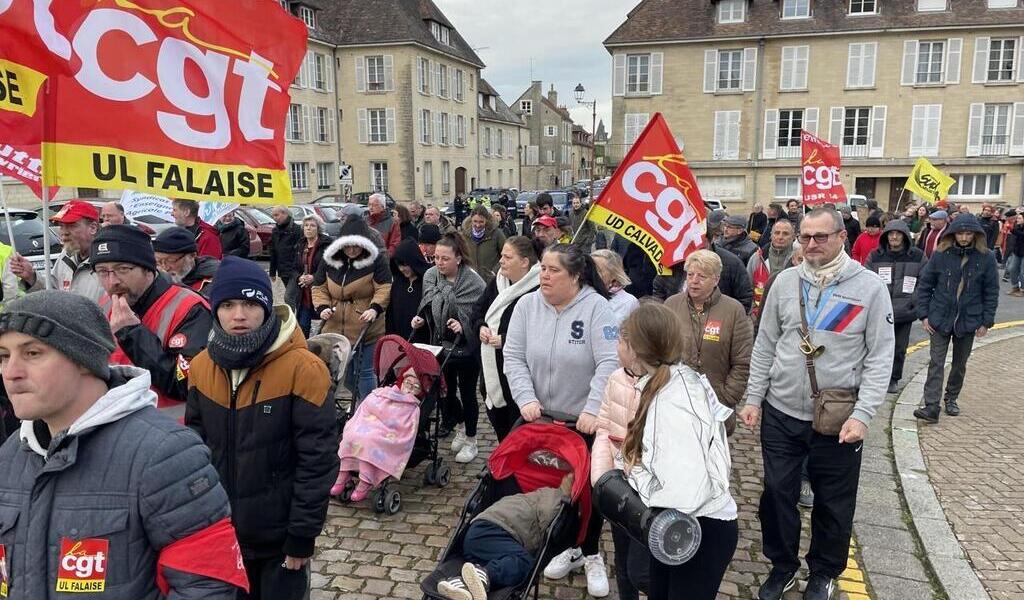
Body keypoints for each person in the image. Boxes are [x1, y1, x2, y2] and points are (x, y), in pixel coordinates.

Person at [0, 291, 249, 599]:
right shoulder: (11, 455)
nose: (11, 373)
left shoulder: (164, 454)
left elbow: (207, 586)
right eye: (3, 356)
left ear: (83, 359)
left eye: (32, 353)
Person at [739, 207, 894, 600]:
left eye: (820, 237)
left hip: (838, 420)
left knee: (833, 502)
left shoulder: (870, 288)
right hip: (781, 411)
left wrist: (863, 415)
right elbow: (765, 345)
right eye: (804, 237)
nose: (810, 245)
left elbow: (879, 357)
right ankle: (783, 565)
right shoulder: (785, 282)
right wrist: (754, 396)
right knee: (776, 493)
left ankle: (824, 572)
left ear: (842, 237)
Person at [185, 257, 337, 600]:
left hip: (279, 541)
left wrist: (302, 534)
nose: (239, 315)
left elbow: (318, 461)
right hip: (219, 535)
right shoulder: (200, 366)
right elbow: (195, 449)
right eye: (227, 304)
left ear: (267, 307)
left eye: (251, 303)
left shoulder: (305, 369)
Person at [503, 243, 617, 598]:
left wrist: (593, 409)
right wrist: (525, 398)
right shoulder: (526, 305)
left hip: (581, 421)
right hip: (538, 417)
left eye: (553, 270)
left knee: (587, 491)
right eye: (542, 268)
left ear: (575, 276)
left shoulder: (598, 309)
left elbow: (609, 363)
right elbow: (513, 355)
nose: (544, 276)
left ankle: (591, 552)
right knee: (543, 484)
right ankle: (563, 544)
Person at [617, 303, 738, 600]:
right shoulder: (675, 379)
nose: (617, 346)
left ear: (635, 349)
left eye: (621, 340)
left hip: (698, 529)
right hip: (678, 526)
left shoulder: (672, 402)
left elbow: (685, 493)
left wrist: (632, 477)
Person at [91, 225, 212, 416]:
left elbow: (186, 383)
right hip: (117, 431)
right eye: (102, 271)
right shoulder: (104, 306)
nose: (111, 281)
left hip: (175, 435)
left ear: (148, 269)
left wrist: (131, 333)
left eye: (122, 269)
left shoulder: (189, 307)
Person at [913, 214, 1000, 423]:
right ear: (953, 234)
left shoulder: (986, 257)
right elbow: (925, 285)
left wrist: (986, 321)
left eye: (968, 233)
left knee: (960, 363)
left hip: (969, 319)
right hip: (940, 317)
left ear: (975, 235)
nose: (963, 237)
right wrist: (924, 315)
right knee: (936, 362)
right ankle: (931, 406)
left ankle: (951, 397)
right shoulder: (940, 255)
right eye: (960, 233)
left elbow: (991, 291)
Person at [436, 473, 576, 600]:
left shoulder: (532, 496)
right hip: (493, 530)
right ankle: (484, 574)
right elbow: (548, 520)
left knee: (505, 565)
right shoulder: (554, 497)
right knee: (524, 562)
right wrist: (566, 501)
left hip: (477, 539)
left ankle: (459, 584)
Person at [412, 234, 486, 463]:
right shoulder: (431, 276)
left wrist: (463, 324)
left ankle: (472, 440)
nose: (439, 263)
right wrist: (421, 319)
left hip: (466, 349)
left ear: (459, 259)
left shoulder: (473, 282)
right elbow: (428, 304)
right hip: (439, 344)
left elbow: (480, 315)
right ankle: (460, 427)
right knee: (445, 392)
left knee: (467, 393)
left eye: (445, 258)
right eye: (436, 258)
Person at [665, 249, 752, 436]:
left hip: (716, 405)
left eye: (702, 276)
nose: (694, 281)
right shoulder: (672, 305)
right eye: (690, 275)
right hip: (675, 401)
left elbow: (743, 361)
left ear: (716, 280)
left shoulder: (733, 310)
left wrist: (727, 397)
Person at [313, 215, 393, 401]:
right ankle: (359, 402)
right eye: (348, 246)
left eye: (356, 246)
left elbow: (384, 288)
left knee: (364, 373)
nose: (351, 250)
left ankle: (369, 407)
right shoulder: (329, 261)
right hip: (336, 326)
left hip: (365, 326)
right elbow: (319, 287)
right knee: (345, 374)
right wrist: (322, 307)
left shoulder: (376, 261)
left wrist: (374, 308)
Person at [472, 236, 541, 441]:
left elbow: (541, 330)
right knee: (499, 424)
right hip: (491, 368)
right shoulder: (497, 281)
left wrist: (507, 340)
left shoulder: (538, 289)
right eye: (501, 255)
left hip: (520, 374)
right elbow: (477, 311)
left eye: (507, 257)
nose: (501, 260)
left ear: (524, 262)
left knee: (519, 429)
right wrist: (480, 327)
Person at [591, 358, 647, 600]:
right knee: (622, 558)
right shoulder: (615, 378)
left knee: (643, 569)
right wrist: (604, 479)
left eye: (622, 341)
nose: (616, 347)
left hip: (648, 495)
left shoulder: (660, 385)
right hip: (619, 489)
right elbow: (603, 426)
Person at [332, 366, 428, 501]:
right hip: (370, 423)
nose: (410, 387)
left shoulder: (412, 406)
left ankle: (366, 481)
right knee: (350, 434)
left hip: (389, 432)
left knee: (371, 441)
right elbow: (369, 406)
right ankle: (342, 474)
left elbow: (403, 424)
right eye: (408, 383)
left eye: (416, 386)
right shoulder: (385, 393)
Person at [865, 219, 926, 393]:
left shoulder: (918, 256)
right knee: (875, 347)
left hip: (904, 312)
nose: (894, 237)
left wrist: (913, 301)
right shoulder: (875, 256)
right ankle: (875, 377)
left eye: (898, 234)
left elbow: (925, 281)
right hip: (880, 312)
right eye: (891, 233)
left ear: (905, 236)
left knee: (899, 349)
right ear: (886, 236)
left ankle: (893, 378)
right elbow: (866, 280)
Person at [9, 200, 104, 302]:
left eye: (71, 225)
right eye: (61, 226)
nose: (64, 232)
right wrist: (31, 276)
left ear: (93, 228)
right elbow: (53, 294)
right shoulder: (66, 257)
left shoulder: (109, 262)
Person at [287, 215, 331, 338]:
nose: (308, 228)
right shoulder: (300, 245)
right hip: (304, 293)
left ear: (318, 228)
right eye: (306, 226)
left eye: (312, 225)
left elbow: (330, 267)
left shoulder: (326, 245)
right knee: (303, 325)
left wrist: (314, 277)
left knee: (326, 327)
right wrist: (299, 278)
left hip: (322, 290)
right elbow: (294, 267)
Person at [153, 226, 221, 297]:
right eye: (159, 262)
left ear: (192, 255)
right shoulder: (158, 282)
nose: (165, 268)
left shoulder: (215, 282)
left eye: (171, 260)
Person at [387, 237, 431, 339]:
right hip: (398, 341)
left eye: (405, 264)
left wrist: (424, 320)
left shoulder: (428, 281)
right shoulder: (398, 282)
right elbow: (390, 314)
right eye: (399, 265)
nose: (402, 269)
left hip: (422, 340)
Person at [592, 249, 639, 324]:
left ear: (613, 274)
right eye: (590, 270)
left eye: (598, 271)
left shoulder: (629, 302)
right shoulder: (579, 296)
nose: (592, 274)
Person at [463, 205, 507, 282]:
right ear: (471, 220)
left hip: (490, 280)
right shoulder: (464, 235)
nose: (477, 225)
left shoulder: (496, 234)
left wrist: (494, 272)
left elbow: (506, 255)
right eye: (475, 221)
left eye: (481, 222)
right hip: (470, 280)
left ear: (486, 220)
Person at [269, 206, 303, 288]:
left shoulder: (297, 230)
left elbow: (300, 250)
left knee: (290, 297)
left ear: (285, 214)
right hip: (283, 271)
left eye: (276, 215)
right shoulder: (275, 231)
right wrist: (272, 272)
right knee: (290, 296)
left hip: (295, 271)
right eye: (273, 216)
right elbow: (273, 252)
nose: (274, 218)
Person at [1007, 213, 1024, 296]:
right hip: (1017, 251)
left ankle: (1023, 290)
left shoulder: (1017, 229)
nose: (1018, 220)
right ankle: (1015, 287)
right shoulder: (1018, 227)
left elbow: (1022, 235)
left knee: (1022, 272)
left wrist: (1012, 230)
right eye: (1018, 218)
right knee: (1012, 268)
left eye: (1020, 218)